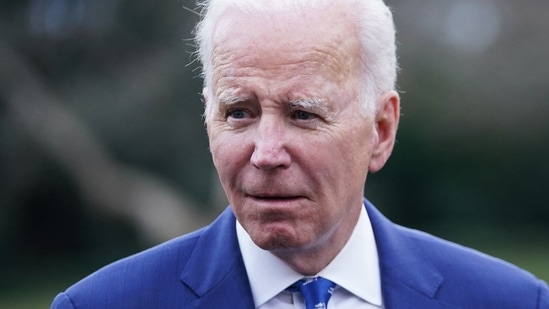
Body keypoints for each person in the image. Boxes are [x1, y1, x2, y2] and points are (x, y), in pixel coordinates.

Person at [51, 0, 549, 308]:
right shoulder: (100, 305)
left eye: (303, 114)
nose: (266, 153)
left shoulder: (512, 301)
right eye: (240, 113)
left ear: (381, 130)